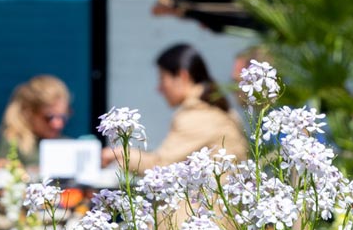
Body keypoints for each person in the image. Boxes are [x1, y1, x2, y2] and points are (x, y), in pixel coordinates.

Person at [102, 43, 246, 172]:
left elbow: (160, 166)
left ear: (182, 76)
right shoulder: (212, 108)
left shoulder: (198, 115)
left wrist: (119, 154)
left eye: (162, 78)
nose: (159, 88)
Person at [0, 75, 71, 168]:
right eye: (49, 117)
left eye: (63, 117)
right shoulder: (14, 141)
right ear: (29, 113)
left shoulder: (66, 144)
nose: (58, 124)